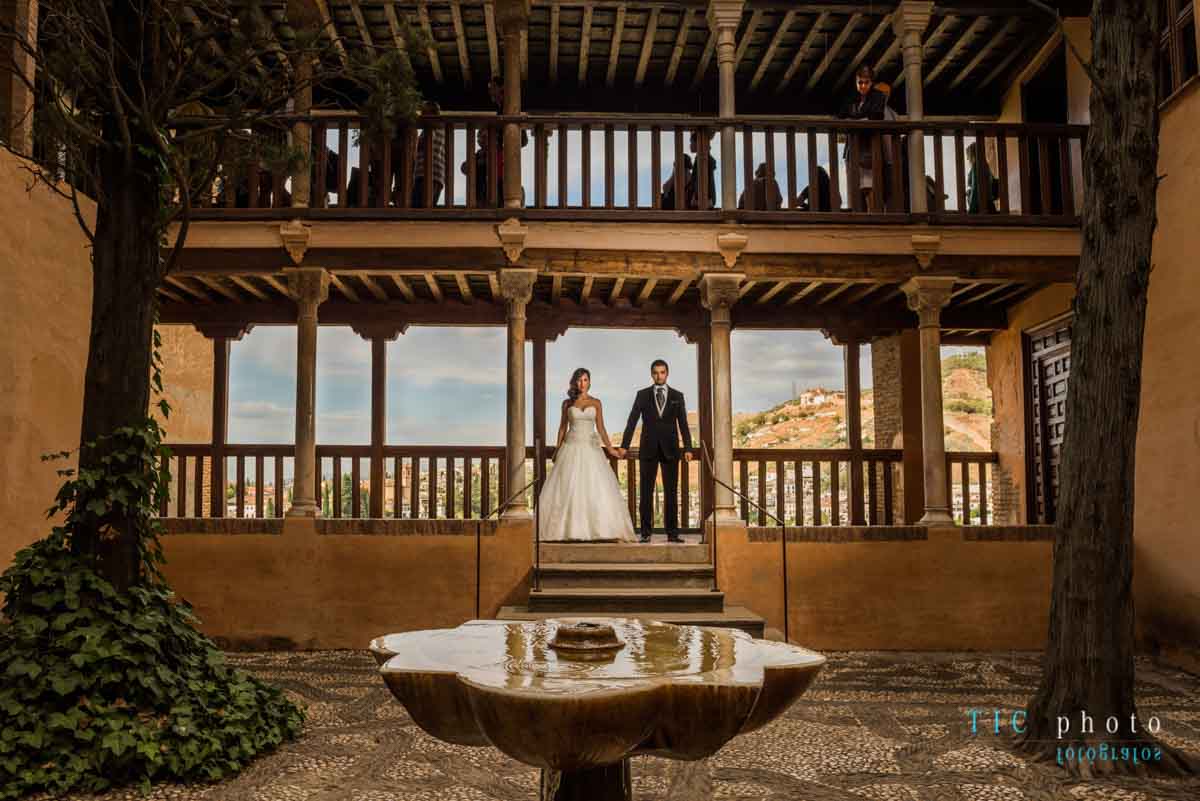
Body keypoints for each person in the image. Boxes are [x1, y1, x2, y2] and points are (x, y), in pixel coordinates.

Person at [537, 369, 637, 543]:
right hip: (571, 447)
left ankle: (599, 530)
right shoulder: (567, 404)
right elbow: (562, 428)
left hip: (591, 449)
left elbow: (601, 428)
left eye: (585, 380)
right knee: (568, 489)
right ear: (574, 382)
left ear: (589, 382)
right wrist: (557, 448)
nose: (582, 383)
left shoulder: (596, 403)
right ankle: (565, 530)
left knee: (595, 488)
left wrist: (611, 450)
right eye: (579, 380)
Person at [618, 360, 694, 543]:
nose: (659, 375)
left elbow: (683, 423)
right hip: (648, 448)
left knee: (671, 492)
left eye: (662, 372)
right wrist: (624, 446)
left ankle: (672, 533)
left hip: (671, 449)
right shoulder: (642, 395)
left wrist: (689, 448)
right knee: (645, 491)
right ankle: (645, 533)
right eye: (655, 372)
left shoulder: (677, 396)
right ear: (651, 374)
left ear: (667, 373)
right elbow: (632, 421)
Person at [837, 64, 889, 210]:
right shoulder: (851, 97)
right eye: (860, 82)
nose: (863, 85)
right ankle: (859, 217)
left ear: (872, 83)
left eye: (866, 82)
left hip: (868, 148)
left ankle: (872, 217)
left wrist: (854, 121)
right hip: (852, 148)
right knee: (854, 185)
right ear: (856, 81)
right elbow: (841, 117)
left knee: (869, 185)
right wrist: (859, 120)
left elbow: (876, 116)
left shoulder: (878, 96)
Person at [411, 102, 446, 207]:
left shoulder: (432, 128)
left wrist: (413, 139)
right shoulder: (442, 129)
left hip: (427, 173)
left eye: (423, 113)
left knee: (419, 208)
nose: (421, 116)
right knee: (426, 207)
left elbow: (425, 143)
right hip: (436, 174)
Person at [965, 142, 999, 214]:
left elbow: (975, 189)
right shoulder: (985, 166)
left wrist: (971, 210)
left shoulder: (976, 166)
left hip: (980, 207)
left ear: (972, 155)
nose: (967, 159)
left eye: (968, 156)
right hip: (988, 206)